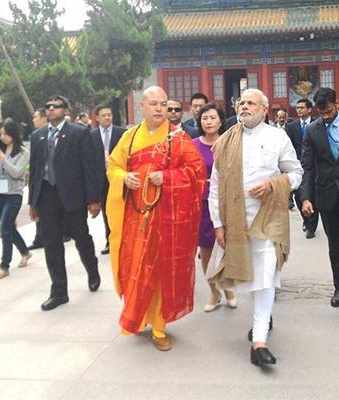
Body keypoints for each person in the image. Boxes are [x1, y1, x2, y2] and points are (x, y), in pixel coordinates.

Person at [209, 88, 303, 366]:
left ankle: (259, 341)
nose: (244, 107)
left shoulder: (277, 137)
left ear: (264, 110)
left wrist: (274, 185)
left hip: (268, 218)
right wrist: (218, 224)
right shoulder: (225, 141)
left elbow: (296, 173)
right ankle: (264, 318)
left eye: (251, 103)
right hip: (235, 221)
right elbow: (214, 187)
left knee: (264, 275)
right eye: (241, 103)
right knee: (251, 277)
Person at [106, 86, 205, 351]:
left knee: (160, 273)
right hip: (135, 217)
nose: (160, 109)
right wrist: (123, 178)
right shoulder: (129, 137)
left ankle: (159, 327)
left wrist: (168, 178)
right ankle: (136, 317)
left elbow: (196, 172)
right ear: (142, 106)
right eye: (154, 104)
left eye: (164, 104)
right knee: (134, 268)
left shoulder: (177, 138)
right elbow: (113, 166)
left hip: (167, 219)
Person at [28, 95, 101, 311]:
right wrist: (33, 202)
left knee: (81, 238)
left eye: (56, 106)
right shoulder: (37, 136)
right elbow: (34, 171)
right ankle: (59, 291)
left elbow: (89, 167)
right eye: (48, 106)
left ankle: (92, 269)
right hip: (46, 197)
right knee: (52, 244)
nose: (50, 109)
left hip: (72, 196)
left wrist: (93, 199)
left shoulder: (79, 133)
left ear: (65, 110)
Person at [300, 88, 339, 312]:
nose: (325, 116)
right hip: (327, 197)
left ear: (337, 102)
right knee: (336, 247)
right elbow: (307, 166)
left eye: (329, 111)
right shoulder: (313, 131)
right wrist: (305, 197)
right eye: (321, 112)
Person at [192, 103, 237, 312]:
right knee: (207, 248)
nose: (208, 122)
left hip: (226, 201)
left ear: (221, 120)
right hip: (201, 201)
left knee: (228, 246)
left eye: (212, 117)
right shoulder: (192, 145)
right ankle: (213, 290)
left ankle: (228, 287)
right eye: (204, 118)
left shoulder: (230, 143)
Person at [0, 118, 32, 280]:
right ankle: (25, 252)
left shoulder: (23, 152)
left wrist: (3, 159)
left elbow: (18, 173)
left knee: (4, 230)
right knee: (9, 228)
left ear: (14, 134)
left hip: (14, 195)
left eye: (6, 134)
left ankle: (4, 266)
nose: (3, 137)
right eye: (1, 134)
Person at [27, 108, 70, 250]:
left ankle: (64, 233)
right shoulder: (36, 136)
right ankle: (40, 238)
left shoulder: (64, 134)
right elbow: (34, 168)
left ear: (44, 119)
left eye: (36, 117)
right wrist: (31, 200)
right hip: (43, 186)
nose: (34, 120)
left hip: (61, 184)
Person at [90, 103, 125, 255]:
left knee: (121, 208)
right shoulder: (91, 135)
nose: (106, 117)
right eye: (103, 115)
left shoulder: (122, 133)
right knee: (107, 210)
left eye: (109, 115)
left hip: (118, 176)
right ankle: (110, 241)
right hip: (100, 178)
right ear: (97, 118)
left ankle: (123, 240)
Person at [285, 98, 319, 238]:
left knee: (314, 196)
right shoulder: (292, 126)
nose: (299, 110)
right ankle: (306, 219)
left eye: (302, 107)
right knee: (300, 196)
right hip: (298, 166)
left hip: (315, 166)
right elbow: (289, 147)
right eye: (297, 108)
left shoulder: (317, 124)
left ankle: (312, 226)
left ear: (310, 109)